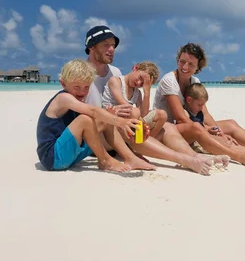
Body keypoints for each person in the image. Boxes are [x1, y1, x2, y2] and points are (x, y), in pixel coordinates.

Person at [83, 25, 229, 175]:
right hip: (100, 134)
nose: (112, 49)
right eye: (106, 45)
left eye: (113, 45)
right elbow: (77, 112)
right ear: (92, 47)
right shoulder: (82, 73)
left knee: (167, 126)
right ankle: (185, 160)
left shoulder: (114, 71)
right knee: (134, 122)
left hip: (118, 128)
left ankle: (195, 156)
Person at [153, 43, 245, 168]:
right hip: (168, 131)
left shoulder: (194, 81)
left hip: (187, 126)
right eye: (182, 61)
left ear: (198, 67)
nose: (185, 67)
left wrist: (219, 132)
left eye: (191, 64)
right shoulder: (169, 81)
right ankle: (240, 155)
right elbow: (180, 118)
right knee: (198, 127)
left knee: (230, 124)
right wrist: (211, 131)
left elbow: (206, 114)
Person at [36, 59, 153, 173]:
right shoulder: (63, 98)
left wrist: (110, 116)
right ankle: (105, 160)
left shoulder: (78, 100)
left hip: (71, 155)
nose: (82, 92)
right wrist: (121, 122)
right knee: (85, 119)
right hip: (53, 158)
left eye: (86, 87)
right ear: (63, 83)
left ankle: (130, 158)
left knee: (105, 119)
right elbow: (92, 111)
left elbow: (96, 116)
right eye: (77, 87)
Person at [101, 60, 167, 137]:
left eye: (143, 84)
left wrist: (146, 93)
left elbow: (143, 114)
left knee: (162, 114)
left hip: (128, 117)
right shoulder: (116, 81)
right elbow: (124, 104)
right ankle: (140, 139)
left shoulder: (137, 93)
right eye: (140, 77)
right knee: (135, 111)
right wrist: (139, 117)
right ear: (136, 68)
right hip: (112, 115)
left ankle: (147, 140)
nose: (139, 83)